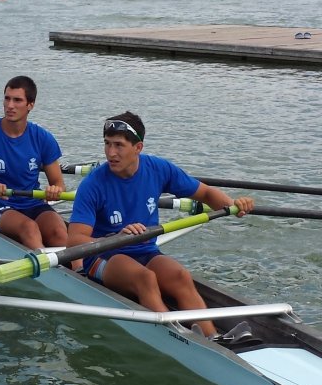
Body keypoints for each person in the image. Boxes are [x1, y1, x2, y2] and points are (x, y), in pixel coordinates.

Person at [67, 113, 253, 338]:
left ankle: (213, 338)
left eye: (119, 145)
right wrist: (114, 237)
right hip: (101, 257)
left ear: (138, 147)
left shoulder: (157, 169)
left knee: (180, 276)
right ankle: (177, 338)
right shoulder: (93, 184)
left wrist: (233, 205)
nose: (111, 153)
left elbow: (204, 193)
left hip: (145, 251)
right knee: (145, 278)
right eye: (107, 144)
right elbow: (75, 240)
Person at [0, 75, 67, 249]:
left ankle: (77, 272)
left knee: (60, 231)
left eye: (17, 100)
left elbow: (59, 183)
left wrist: (56, 190)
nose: (10, 105)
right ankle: (49, 271)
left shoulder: (43, 137)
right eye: (7, 98)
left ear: (30, 105)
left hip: (33, 202)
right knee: (29, 228)